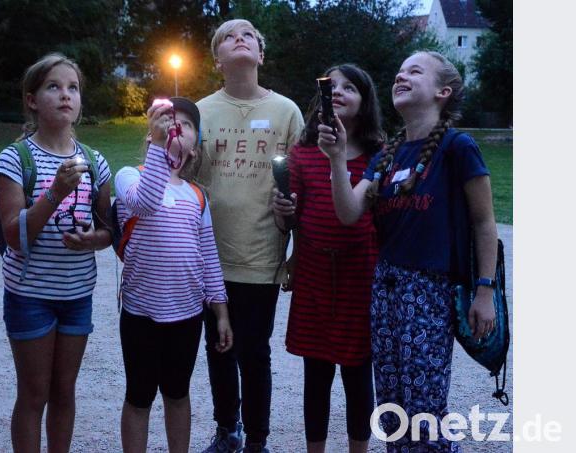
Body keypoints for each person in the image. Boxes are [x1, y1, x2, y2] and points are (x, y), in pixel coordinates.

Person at [318, 51, 498, 452]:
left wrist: (484, 291)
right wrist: (335, 158)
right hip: (386, 287)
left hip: (429, 290)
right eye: (399, 72)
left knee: (425, 409)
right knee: (391, 407)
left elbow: (485, 222)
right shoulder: (386, 154)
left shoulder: (458, 147)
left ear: (442, 91)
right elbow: (349, 212)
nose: (401, 76)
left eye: (414, 71)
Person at [0, 53, 112, 453]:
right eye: (53, 87)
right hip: (30, 296)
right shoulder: (16, 158)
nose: (66, 95)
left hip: (77, 295)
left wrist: (94, 239)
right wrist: (56, 192)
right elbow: (14, 236)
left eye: (73, 88)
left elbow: (109, 230)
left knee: (64, 391)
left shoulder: (96, 162)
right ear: (31, 100)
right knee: (33, 394)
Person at [197, 19, 304, 453]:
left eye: (249, 35)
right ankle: (228, 430)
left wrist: (293, 225)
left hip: (260, 252)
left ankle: (257, 437)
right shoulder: (200, 111)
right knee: (218, 346)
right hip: (208, 254)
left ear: (260, 55)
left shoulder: (287, 112)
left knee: (254, 351)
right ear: (217, 59)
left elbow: (302, 185)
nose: (239, 38)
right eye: (228, 36)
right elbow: (182, 175)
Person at [272, 64, 383, 453]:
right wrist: (283, 207)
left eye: (349, 87)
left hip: (360, 277)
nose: (338, 91)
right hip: (316, 276)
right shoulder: (303, 152)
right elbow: (289, 219)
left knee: (357, 375)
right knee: (315, 375)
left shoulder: (378, 155)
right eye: (331, 86)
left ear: (364, 101)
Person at [114, 97, 233, 453]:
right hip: (140, 314)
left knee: (178, 394)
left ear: (195, 147)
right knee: (138, 396)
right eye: (167, 120)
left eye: (185, 124)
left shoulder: (196, 196)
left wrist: (221, 310)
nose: (174, 127)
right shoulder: (129, 177)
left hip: (186, 314)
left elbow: (209, 257)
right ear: (152, 130)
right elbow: (146, 202)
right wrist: (155, 146)